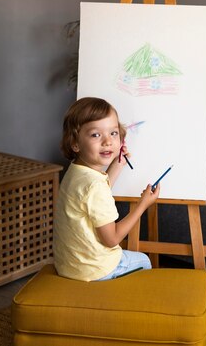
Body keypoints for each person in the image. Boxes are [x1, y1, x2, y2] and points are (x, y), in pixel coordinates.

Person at [53, 97, 160, 281]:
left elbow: (93, 198)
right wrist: (143, 205)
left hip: (69, 266)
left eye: (113, 133)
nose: (108, 142)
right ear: (75, 143)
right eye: (96, 135)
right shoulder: (95, 186)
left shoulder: (76, 171)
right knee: (144, 261)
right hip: (95, 270)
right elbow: (112, 239)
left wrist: (117, 165)